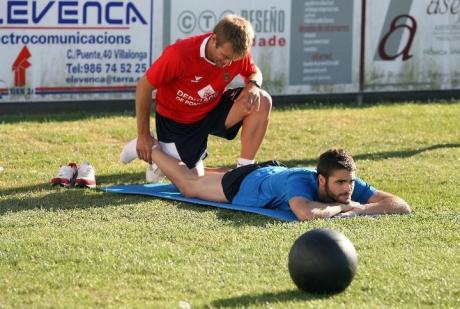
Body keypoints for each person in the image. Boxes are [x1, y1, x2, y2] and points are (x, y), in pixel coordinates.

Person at [121, 14, 272, 182]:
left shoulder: (235, 51)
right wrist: (143, 135)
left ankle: (245, 170)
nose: (229, 63)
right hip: (177, 121)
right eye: (225, 56)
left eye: (233, 59)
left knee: (262, 99)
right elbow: (144, 86)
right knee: (193, 180)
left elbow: (254, 72)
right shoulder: (180, 54)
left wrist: (253, 85)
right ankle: (156, 151)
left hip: (211, 109)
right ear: (214, 39)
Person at [149, 146, 412, 221]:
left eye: (351, 182)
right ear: (321, 180)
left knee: (199, 175)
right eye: (341, 183)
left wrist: (362, 208)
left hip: (272, 173)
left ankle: (171, 160)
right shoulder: (300, 183)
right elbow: (305, 213)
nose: (348, 189)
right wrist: (344, 209)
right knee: (189, 185)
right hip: (245, 183)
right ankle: (151, 148)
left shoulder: (347, 183)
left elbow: (401, 205)